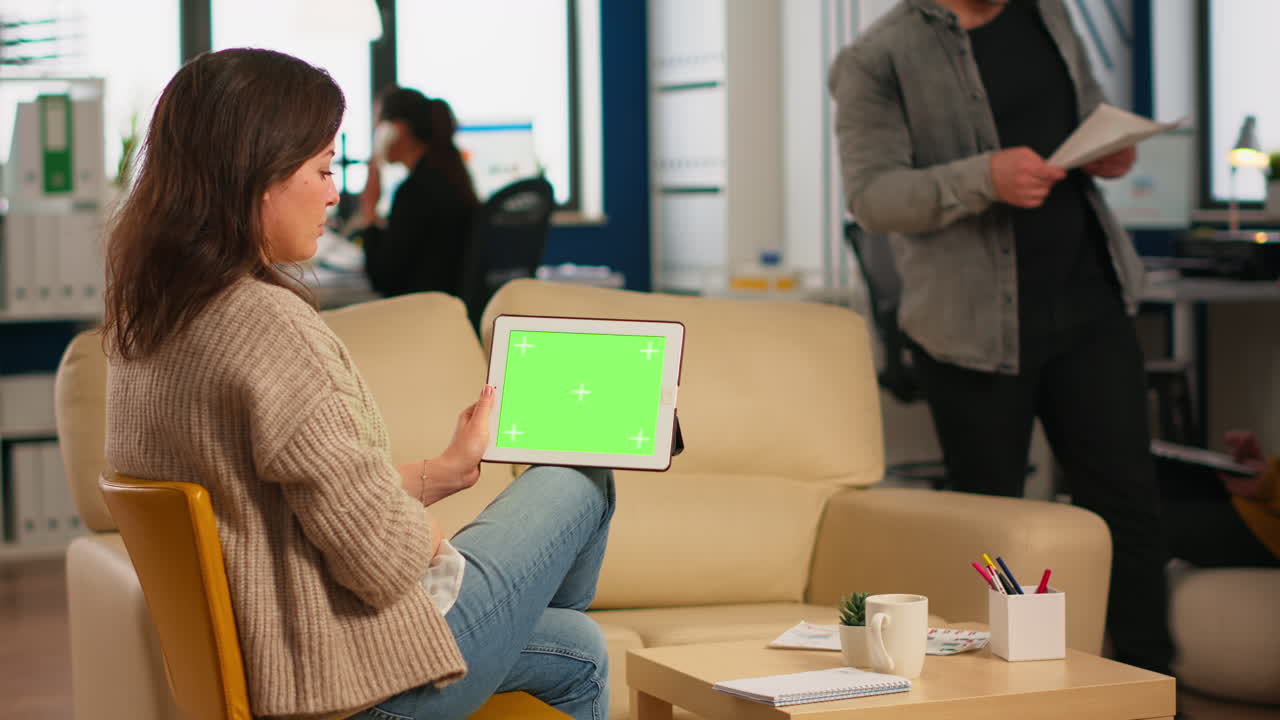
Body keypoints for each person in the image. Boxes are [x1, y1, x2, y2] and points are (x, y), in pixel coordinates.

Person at [101, 48, 613, 720]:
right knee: (584, 469)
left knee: (580, 649)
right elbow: (383, 557)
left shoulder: (147, 322)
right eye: (320, 169)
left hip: (278, 673)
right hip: (352, 685)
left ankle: (507, 623)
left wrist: (440, 473)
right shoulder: (267, 328)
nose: (336, 192)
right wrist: (441, 541)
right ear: (256, 176)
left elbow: (277, 501)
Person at [828, 0, 1174, 676]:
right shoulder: (876, 58)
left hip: (1090, 299)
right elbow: (872, 197)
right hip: (969, 328)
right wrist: (982, 177)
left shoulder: (1049, 13)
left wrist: (1107, 150)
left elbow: (1087, 108)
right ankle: (988, 695)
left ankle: (1155, 692)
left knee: (1128, 509)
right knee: (988, 528)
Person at [354, 87, 479, 298]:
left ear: (398, 129)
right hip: (445, 310)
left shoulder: (414, 192)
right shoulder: (450, 180)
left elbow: (383, 279)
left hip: (420, 314)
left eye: (380, 126)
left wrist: (369, 212)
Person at [1163, 431, 1280, 568]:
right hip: (1256, 501)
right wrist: (1267, 472)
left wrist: (1271, 486)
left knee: (1148, 515)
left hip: (1266, 530)